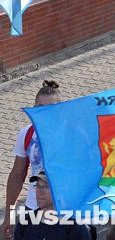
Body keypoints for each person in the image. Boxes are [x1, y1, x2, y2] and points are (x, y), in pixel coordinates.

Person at [4, 80, 61, 240]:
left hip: (64, 210)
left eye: (50, 109)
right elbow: (17, 175)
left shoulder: (71, 134)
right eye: (40, 108)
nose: (45, 113)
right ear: (34, 108)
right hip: (34, 208)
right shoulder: (26, 134)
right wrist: (8, 215)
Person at [13, 171, 93, 240]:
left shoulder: (75, 228)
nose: (39, 191)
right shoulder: (26, 221)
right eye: (37, 186)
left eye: (46, 187)